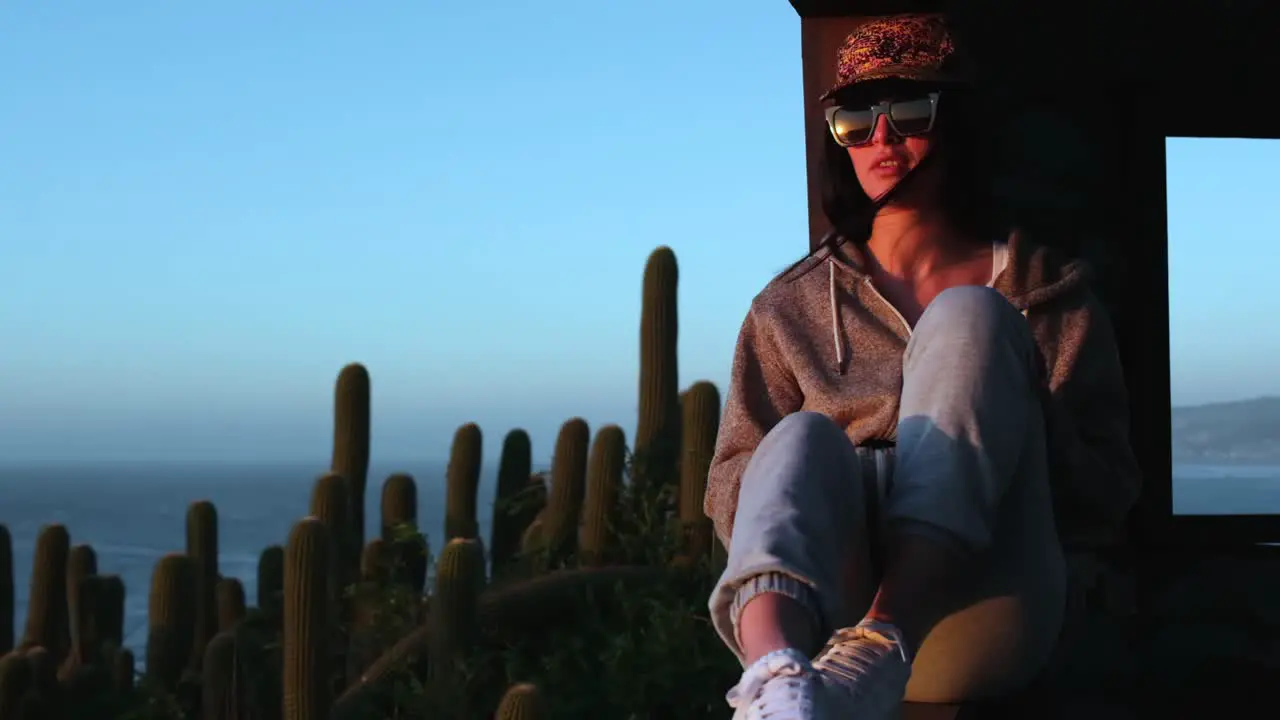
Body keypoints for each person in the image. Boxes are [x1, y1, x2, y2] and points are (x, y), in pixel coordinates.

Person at [703, 13, 1141, 720]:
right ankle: (771, 681)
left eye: (909, 113)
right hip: (824, 623)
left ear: (957, 127)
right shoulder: (787, 309)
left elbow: (1108, 491)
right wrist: (855, 475)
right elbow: (731, 480)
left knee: (970, 317)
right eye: (855, 119)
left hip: (981, 606)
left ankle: (884, 636)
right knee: (802, 439)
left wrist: (1014, 416)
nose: (881, 138)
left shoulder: (1048, 299)